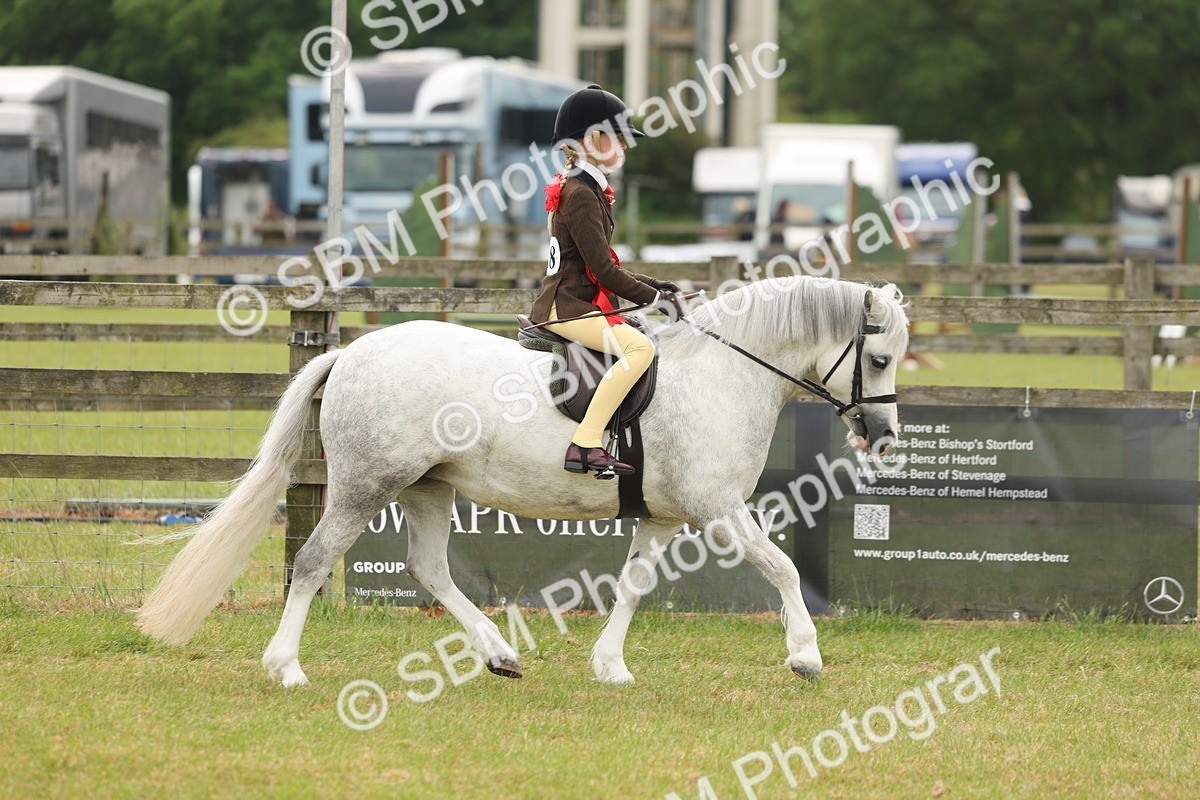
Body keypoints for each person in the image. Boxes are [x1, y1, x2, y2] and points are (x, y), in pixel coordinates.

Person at [528, 84, 683, 476]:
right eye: (620, 138)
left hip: (575, 301)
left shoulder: (583, 188)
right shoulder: (580, 194)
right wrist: (654, 298)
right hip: (570, 308)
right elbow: (604, 273)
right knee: (639, 350)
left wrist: (654, 283)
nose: (626, 147)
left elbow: (604, 262)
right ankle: (585, 442)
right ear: (594, 139)